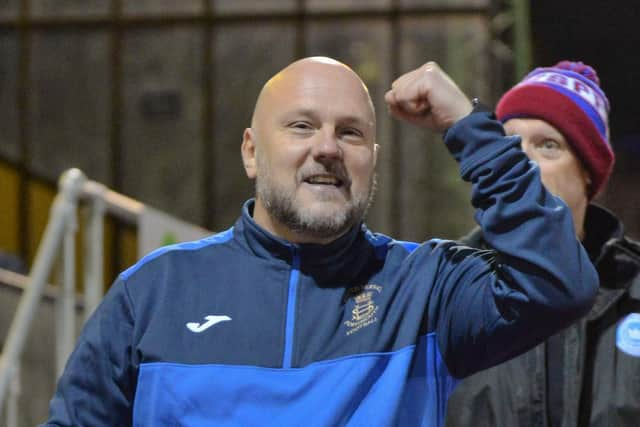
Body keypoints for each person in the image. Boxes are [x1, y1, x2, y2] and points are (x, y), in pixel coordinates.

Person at [41, 57, 598, 427]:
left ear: (372, 162)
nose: (328, 148)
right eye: (302, 126)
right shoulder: (151, 295)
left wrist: (467, 126)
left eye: (351, 132)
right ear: (252, 151)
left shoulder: (426, 290)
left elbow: (560, 285)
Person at [445, 61, 640, 427]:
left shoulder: (633, 287)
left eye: (548, 146)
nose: (522, 162)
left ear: (587, 172)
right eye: (509, 144)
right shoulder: (448, 287)